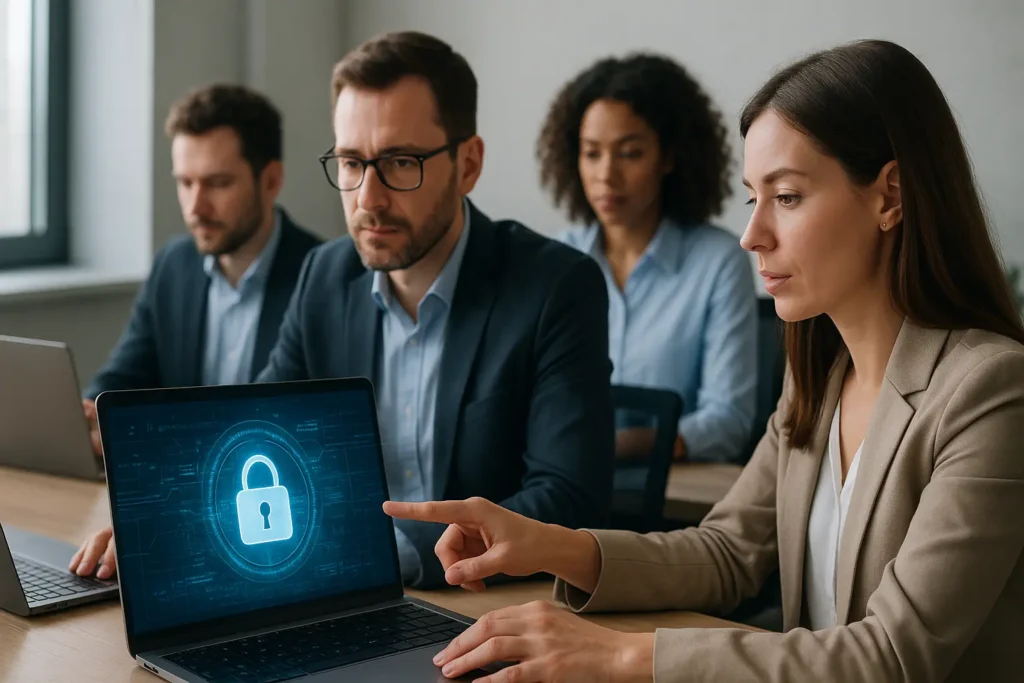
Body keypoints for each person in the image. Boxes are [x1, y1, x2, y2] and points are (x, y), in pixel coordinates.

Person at [384, 39, 1024, 683]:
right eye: (754, 198)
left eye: (789, 197)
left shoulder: (989, 391)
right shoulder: (820, 380)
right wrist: (547, 544)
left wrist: (620, 655)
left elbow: (892, 655)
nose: (752, 235)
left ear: (890, 196)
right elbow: (727, 552)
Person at [73, 32, 615, 589]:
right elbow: (250, 430)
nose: (368, 199)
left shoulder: (556, 287)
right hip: (335, 592)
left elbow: (569, 498)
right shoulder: (326, 277)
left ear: (468, 164)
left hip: (487, 610)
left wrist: (376, 553)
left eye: (402, 162)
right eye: (352, 163)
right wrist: (168, 518)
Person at [70, 84, 321, 579]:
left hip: (267, 534)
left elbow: (298, 439)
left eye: (217, 183)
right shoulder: (174, 265)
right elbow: (123, 375)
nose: (195, 205)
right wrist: (92, 416)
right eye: (185, 183)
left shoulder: (322, 277)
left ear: (270, 180)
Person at [540, 54, 758, 464]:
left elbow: (727, 422)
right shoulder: (556, 258)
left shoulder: (717, 261)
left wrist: (612, 446)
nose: (606, 174)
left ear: (669, 157)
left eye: (630, 153)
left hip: (671, 502)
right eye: (591, 153)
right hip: (564, 493)